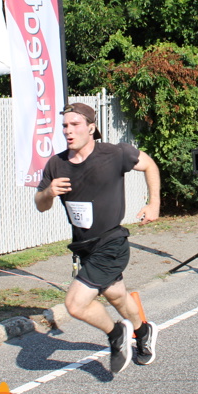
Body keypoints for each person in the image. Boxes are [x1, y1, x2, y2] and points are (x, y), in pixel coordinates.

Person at [34, 102, 161, 375]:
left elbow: (149, 164)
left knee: (74, 304)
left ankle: (116, 334)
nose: (68, 131)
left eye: (75, 125)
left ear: (91, 128)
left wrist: (154, 204)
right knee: (117, 295)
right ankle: (143, 331)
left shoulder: (115, 154)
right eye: (65, 126)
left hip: (112, 242)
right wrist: (48, 192)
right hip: (84, 246)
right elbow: (40, 205)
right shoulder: (56, 164)